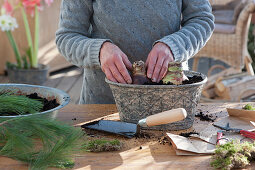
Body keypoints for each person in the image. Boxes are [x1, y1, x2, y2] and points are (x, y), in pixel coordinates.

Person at [56, 0, 215, 104]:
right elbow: (67, 36)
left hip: (171, 101)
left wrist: (174, 46)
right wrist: (99, 51)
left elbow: (202, 20)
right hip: (104, 105)